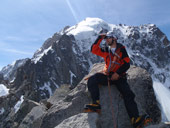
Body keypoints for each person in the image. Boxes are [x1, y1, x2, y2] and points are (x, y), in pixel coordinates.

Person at [84, 31, 151, 128]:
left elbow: (126, 64)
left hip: (119, 77)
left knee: (128, 94)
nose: (106, 40)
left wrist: (118, 73)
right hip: (108, 75)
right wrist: (99, 38)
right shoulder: (106, 50)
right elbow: (94, 50)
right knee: (92, 80)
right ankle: (96, 104)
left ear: (114, 38)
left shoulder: (121, 49)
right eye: (105, 38)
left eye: (108, 38)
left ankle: (135, 119)